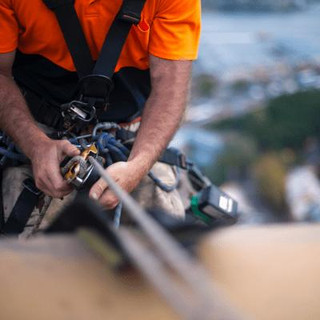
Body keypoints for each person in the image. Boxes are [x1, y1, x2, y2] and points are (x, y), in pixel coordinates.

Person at [0, 0, 201, 234]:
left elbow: (169, 90)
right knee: (17, 231)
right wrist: (34, 145)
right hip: (34, 123)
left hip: (130, 133)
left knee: (165, 233)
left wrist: (138, 166)